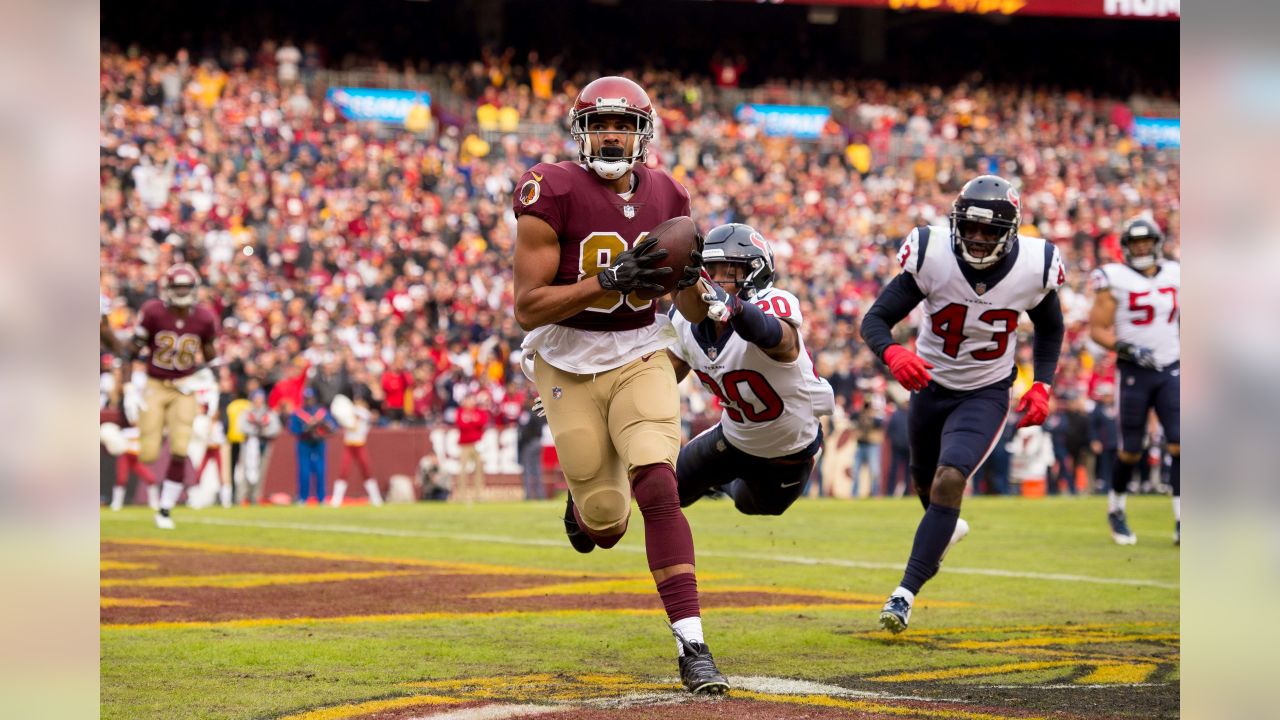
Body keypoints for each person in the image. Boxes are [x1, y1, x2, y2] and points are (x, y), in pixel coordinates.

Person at [511, 75, 723, 694]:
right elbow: (528, 306)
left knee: (658, 479)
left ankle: (692, 645)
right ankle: (585, 512)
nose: (612, 134)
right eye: (601, 123)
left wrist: (700, 285)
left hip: (639, 351)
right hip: (565, 360)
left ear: (643, 134)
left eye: (624, 124)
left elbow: (684, 301)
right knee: (606, 525)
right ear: (580, 133)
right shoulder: (548, 190)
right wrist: (609, 278)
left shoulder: (668, 193)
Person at [860, 175, 1066, 632]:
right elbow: (876, 318)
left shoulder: (1035, 265)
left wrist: (1043, 384)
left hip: (986, 390)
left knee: (950, 479)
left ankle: (903, 595)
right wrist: (893, 353)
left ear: (1010, 232)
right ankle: (944, 531)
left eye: (989, 231)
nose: (976, 238)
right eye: (969, 228)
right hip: (929, 386)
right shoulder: (933, 254)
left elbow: (1050, 327)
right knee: (925, 488)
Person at [666, 223, 834, 517]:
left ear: (755, 273)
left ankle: (721, 485)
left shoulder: (773, 304)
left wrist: (736, 308)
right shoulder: (684, 323)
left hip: (790, 449)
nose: (715, 281)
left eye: (727, 272)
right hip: (734, 437)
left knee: (750, 504)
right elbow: (659, 382)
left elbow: (775, 337)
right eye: (710, 270)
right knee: (668, 492)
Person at [1088, 216, 1180, 545]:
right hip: (1133, 372)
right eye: (1135, 243)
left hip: (1171, 366)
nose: (1141, 248)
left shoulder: (1176, 272)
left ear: (1156, 243)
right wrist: (1125, 347)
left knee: (1181, 443)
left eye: (1146, 242)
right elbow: (1096, 329)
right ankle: (1116, 509)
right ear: (1126, 247)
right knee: (1130, 449)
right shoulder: (1114, 278)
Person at [130, 263, 220, 529]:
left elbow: (210, 352)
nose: (182, 292)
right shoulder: (153, 311)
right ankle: (156, 495)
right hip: (156, 382)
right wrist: (130, 379)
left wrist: (212, 375)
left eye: (186, 287)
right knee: (148, 453)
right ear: (167, 289)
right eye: (177, 287)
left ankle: (165, 509)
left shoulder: (204, 318)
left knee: (181, 447)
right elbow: (133, 348)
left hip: (185, 383)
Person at [289, 387, 338, 504]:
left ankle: (321, 498)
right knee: (304, 472)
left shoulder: (321, 412)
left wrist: (324, 426)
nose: (309, 401)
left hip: (318, 442)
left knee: (320, 471)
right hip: (304, 443)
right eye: (307, 399)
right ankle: (303, 498)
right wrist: (306, 428)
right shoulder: (298, 413)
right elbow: (293, 429)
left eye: (310, 398)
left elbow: (333, 428)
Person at [331, 396, 381, 507]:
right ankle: (336, 499)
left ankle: (376, 498)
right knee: (344, 470)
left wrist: (350, 416)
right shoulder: (353, 413)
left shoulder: (363, 414)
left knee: (367, 470)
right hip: (349, 445)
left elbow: (355, 425)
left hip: (359, 445)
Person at [237, 389, 280, 506]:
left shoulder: (269, 413)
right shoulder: (246, 413)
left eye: (260, 399)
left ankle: (256, 496)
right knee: (247, 469)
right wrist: (255, 429)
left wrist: (264, 431)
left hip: (263, 444)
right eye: (256, 399)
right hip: (249, 444)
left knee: (261, 471)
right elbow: (241, 427)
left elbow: (275, 428)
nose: (258, 402)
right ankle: (242, 496)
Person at [453, 394, 491, 502]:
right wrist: (473, 421)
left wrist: (470, 421)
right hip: (465, 445)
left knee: (479, 470)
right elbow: (461, 425)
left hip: (477, 444)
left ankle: (479, 495)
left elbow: (482, 422)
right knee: (462, 470)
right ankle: (461, 495)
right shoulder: (460, 411)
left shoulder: (479, 411)